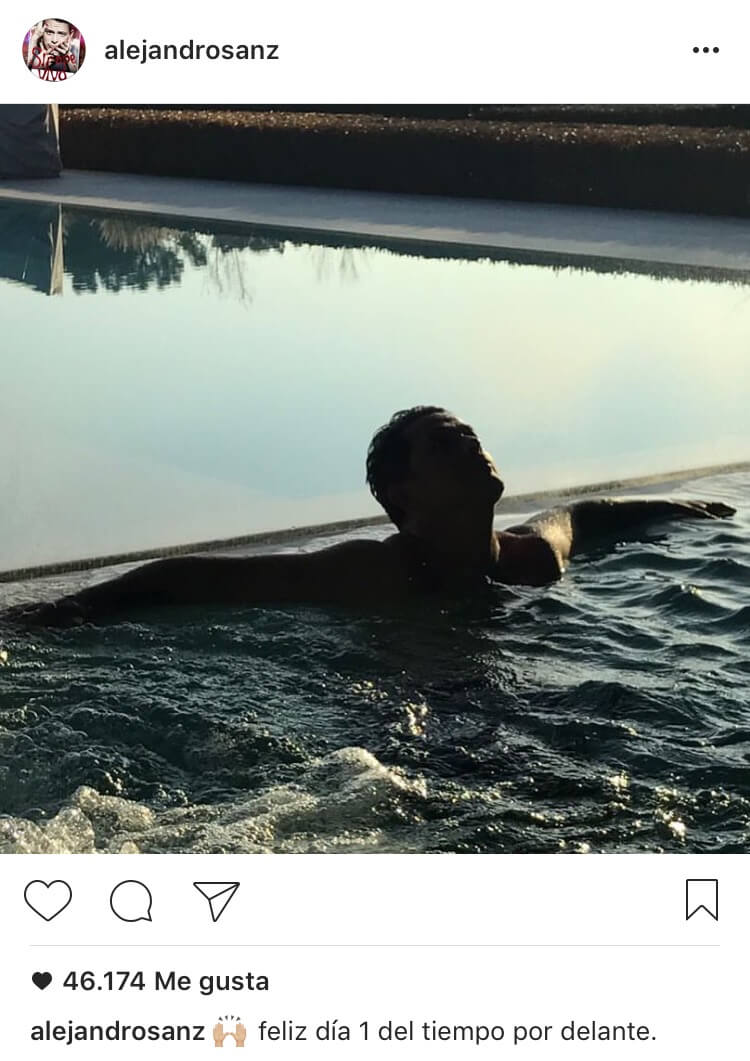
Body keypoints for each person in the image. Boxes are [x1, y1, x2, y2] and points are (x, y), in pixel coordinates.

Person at [3, 405, 735, 626]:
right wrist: (63, 608)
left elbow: (584, 516)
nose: (472, 447)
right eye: (445, 445)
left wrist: (678, 505)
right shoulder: (377, 572)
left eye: (470, 436)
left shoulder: (532, 560)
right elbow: (196, 578)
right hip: (405, 736)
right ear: (401, 498)